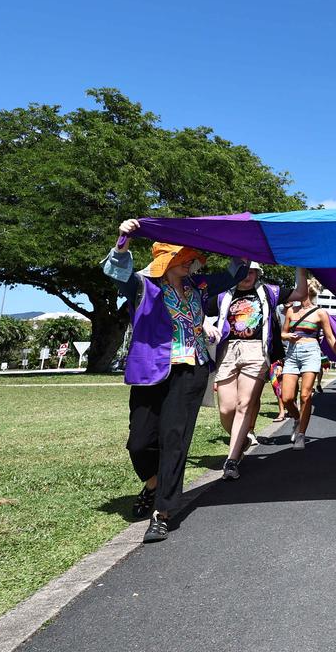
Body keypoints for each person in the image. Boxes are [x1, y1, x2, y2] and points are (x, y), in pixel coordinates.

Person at [102, 218, 247, 543]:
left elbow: (234, 272)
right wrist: (123, 239)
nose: (193, 261)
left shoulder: (200, 287)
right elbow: (115, 271)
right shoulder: (142, 285)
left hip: (191, 371)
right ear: (170, 260)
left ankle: (162, 513)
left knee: (174, 439)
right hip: (150, 371)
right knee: (139, 442)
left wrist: (241, 242)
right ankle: (153, 483)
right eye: (186, 257)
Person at [209, 262, 304, 480]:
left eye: (252, 271)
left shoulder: (269, 292)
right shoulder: (223, 295)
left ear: (258, 273)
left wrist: (300, 264)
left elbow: (300, 292)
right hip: (228, 350)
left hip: (256, 352)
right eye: (243, 271)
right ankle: (241, 440)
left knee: (244, 405)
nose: (247, 276)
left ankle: (231, 461)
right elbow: (201, 306)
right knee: (226, 409)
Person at [280, 275, 336, 450]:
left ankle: (301, 434)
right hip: (292, 354)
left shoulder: (320, 313)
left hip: (311, 353)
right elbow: (283, 333)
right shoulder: (291, 311)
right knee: (286, 398)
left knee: (305, 395)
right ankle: (297, 419)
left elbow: (330, 338)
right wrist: (287, 336)